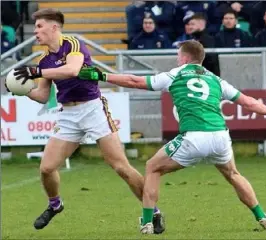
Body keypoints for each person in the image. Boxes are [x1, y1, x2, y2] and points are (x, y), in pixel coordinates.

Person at [77, 40, 266, 234]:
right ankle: (262, 217)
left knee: (152, 167)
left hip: (194, 137)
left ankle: (148, 223)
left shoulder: (174, 75)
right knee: (233, 174)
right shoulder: (216, 80)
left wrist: (101, 75)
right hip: (220, 136)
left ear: (185, 58)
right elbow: (249, 103)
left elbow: (135, 81)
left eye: (179, 56)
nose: (178, 59)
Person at [7, 8, 165, 234]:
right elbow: (43, 95)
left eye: (40, 27)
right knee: (46, 168)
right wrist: (22, 90)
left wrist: (35, 71)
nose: (37, 33)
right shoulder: (44, 60)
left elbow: (72, 70)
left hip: (93, 110)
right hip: (68, 115)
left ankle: (154, 211)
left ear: (55, 27)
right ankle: (55, 205)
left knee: (121, 167)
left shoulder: (72, 44)